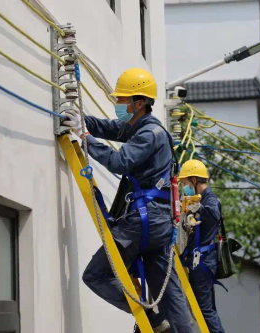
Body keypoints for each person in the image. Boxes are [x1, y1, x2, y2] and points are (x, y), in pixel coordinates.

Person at [62, 68, 192, 333]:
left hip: (145, 222)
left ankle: (152, 320)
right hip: (157, 224)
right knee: (168, 292)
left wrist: (85, 138)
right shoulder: (144, 128)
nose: (118, 105)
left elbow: (119, 162)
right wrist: (83, 122)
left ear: (139, 103)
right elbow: (114, 129)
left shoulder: (148, 135)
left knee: (96, 275)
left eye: (122, 101)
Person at [178, 160, 226, 333]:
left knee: (205, 310)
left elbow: (214, 215)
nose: (184, 186)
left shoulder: (209, 199)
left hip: (202, 261)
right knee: (204, 309)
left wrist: (200, 208)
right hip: (199, 260)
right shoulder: (198, 199)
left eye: (185, 182)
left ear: (194, 180)